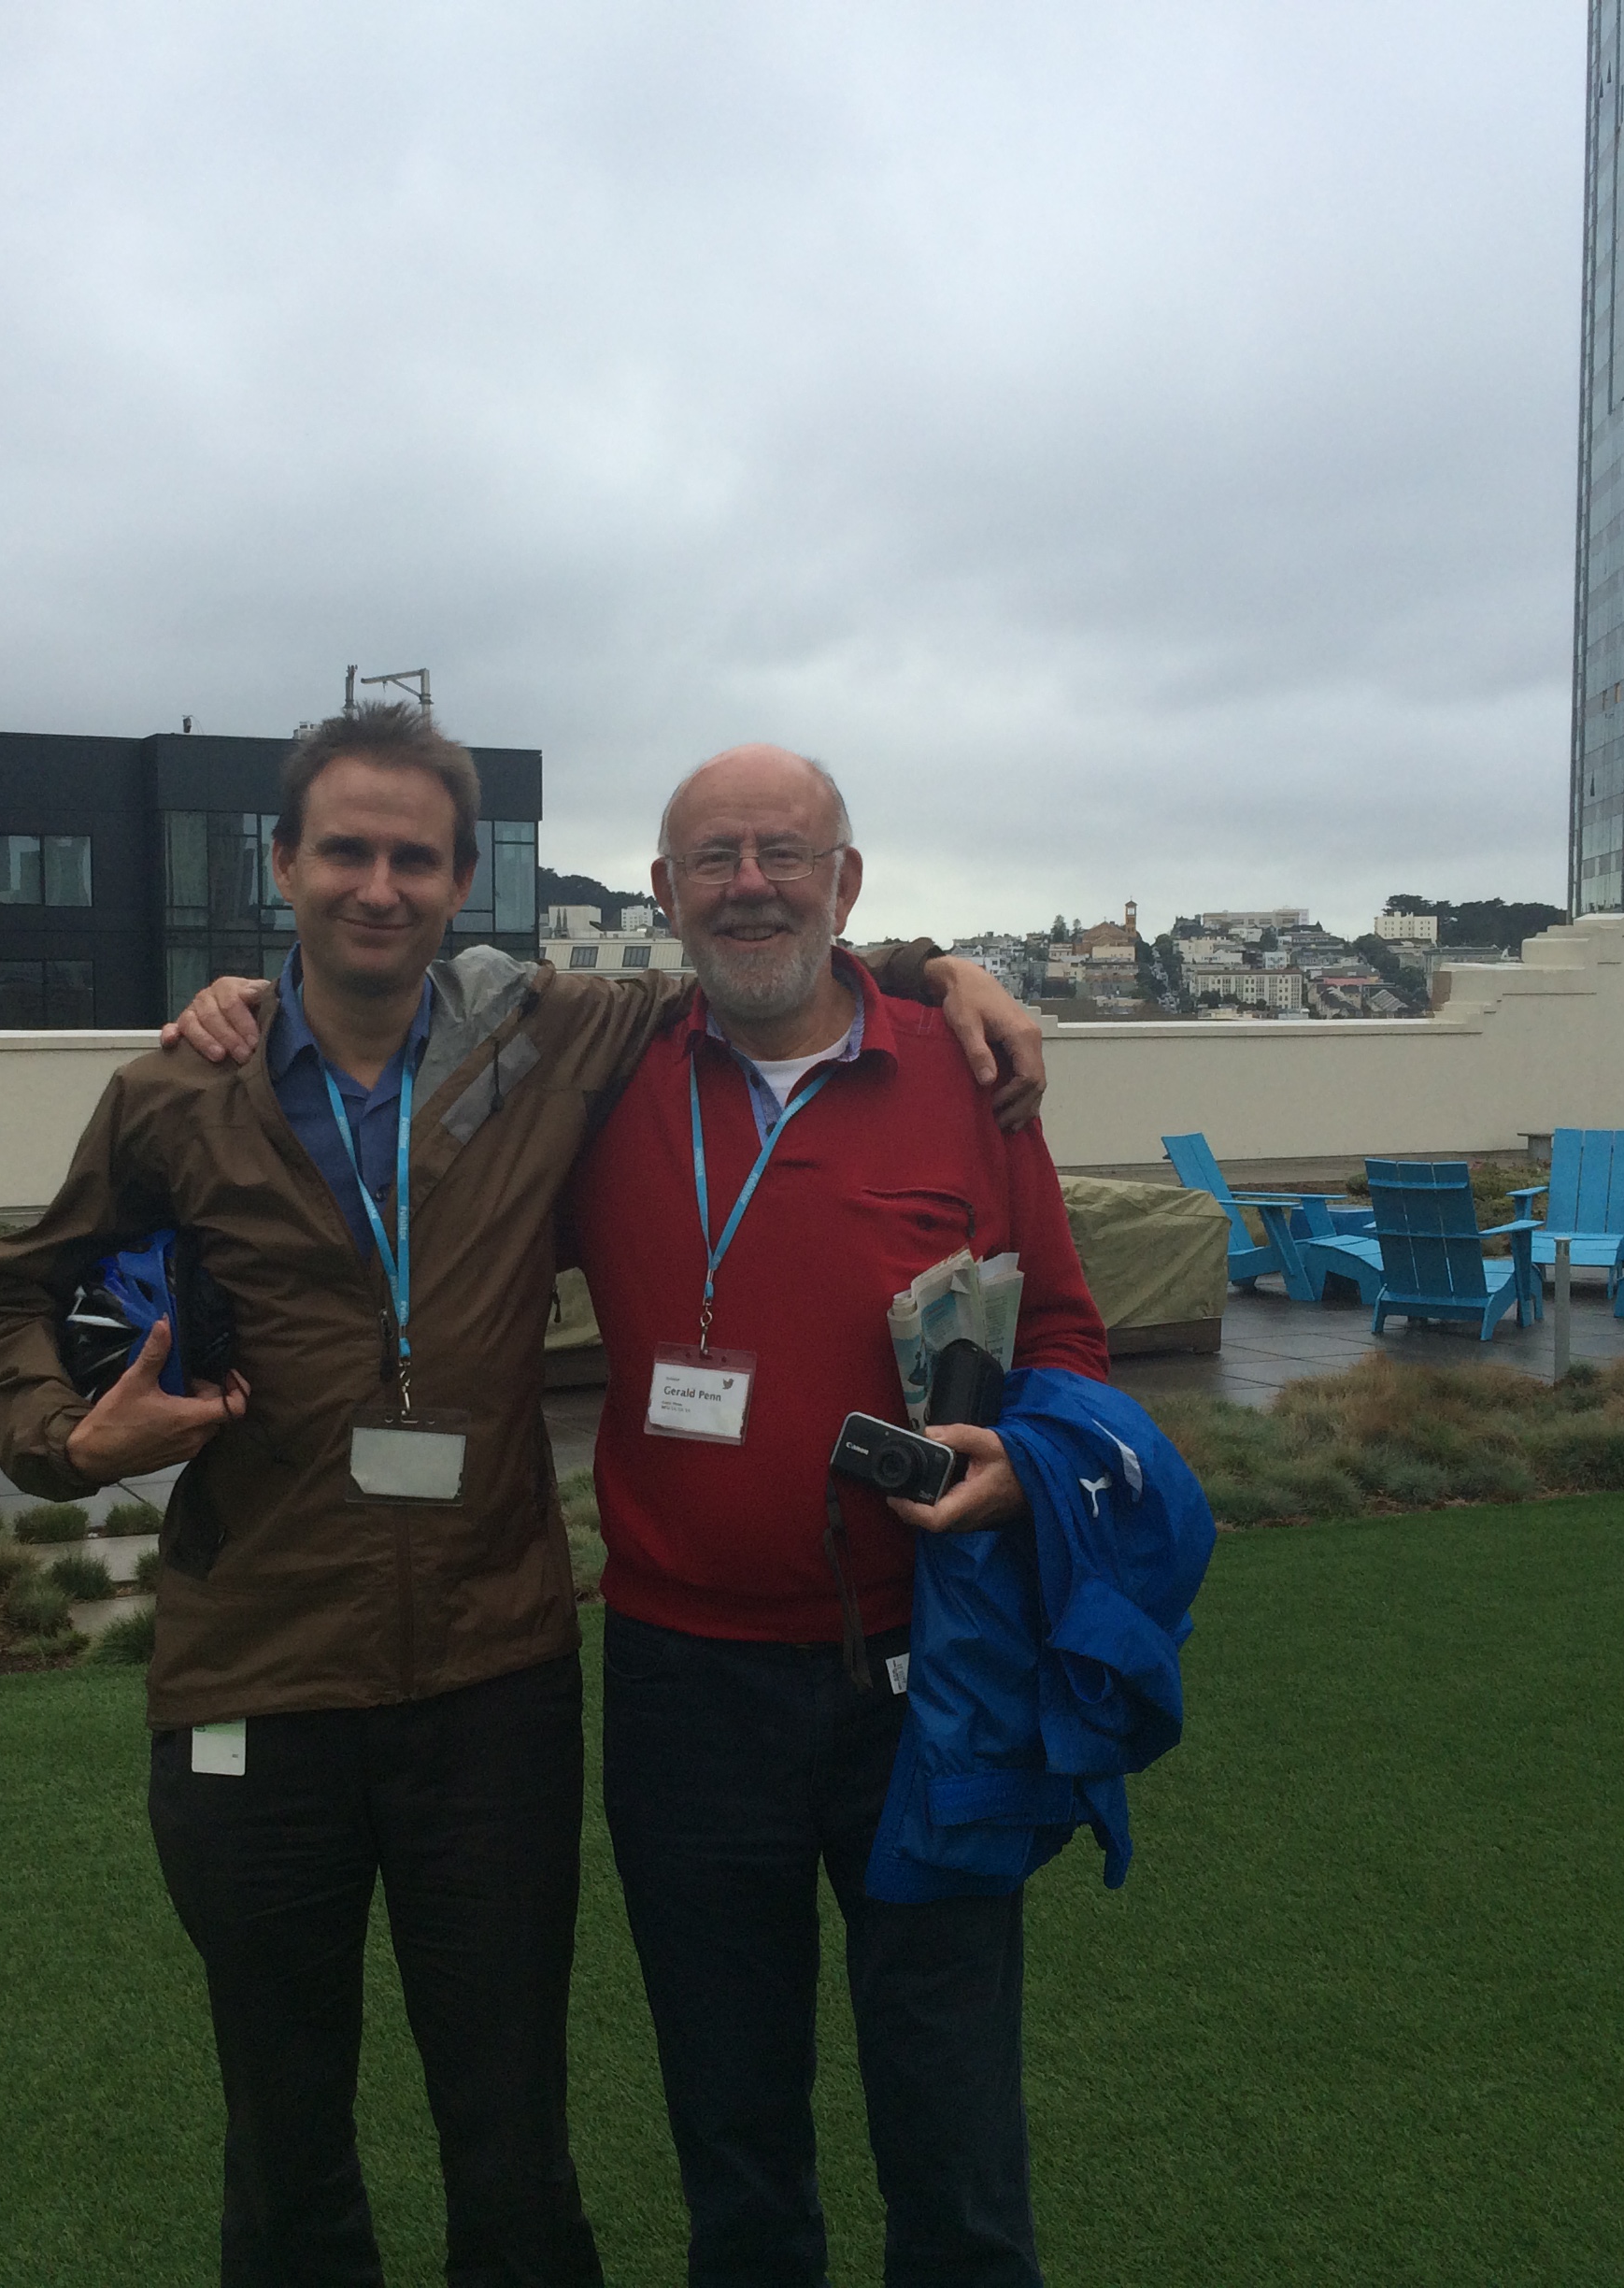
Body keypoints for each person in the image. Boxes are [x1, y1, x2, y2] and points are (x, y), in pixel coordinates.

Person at [0, 704, 1046, 2287]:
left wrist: (948, 972)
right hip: (254, 1669)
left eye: (414, 858)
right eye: (346, 851)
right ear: (283, 864)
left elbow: (763, 952)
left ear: (462, 881)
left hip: (489, 1681)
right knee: (284, 2135)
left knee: (511, 2141)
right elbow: (4, 1294)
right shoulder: (177, 1090)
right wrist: (71, 1442)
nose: (378, 886)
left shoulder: (545, 1039)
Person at [559, 742, 1109, 2286]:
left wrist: (1025, 1466)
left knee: (955, 2125)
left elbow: (1066, 1335)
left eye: (784, 855)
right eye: (715, 858)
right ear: (663, 892)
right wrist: (244, 1001)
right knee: (733, 2131)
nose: (751, 887)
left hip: (929, 1669)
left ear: (845, 882)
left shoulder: (968, 1074)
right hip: (682, 1684)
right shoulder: (596, 1084)